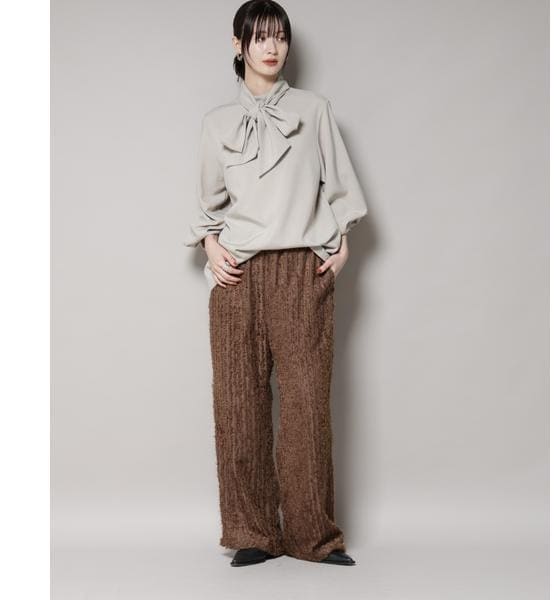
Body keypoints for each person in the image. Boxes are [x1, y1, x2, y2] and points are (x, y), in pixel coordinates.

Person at [184, 0, 368, 567]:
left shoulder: (314, 110)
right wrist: (211, 246)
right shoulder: (216, 122)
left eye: (280, 37)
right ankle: (252, 533)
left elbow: (341, 190)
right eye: (260, 36)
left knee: (307, 406)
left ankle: (313, 537)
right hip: (238, 275)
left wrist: (340, 247)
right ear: (237, 45)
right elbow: (208, 205)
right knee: (238, 405)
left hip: (300, 270)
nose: (272, 47)